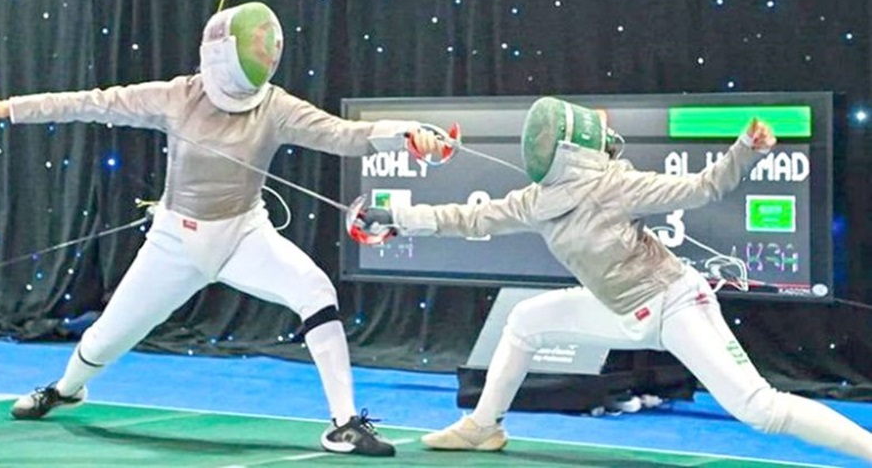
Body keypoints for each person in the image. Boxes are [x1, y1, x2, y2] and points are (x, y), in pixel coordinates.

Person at [0, 0, 444, 457]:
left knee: (315, 289)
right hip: (175, 242)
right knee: (106, 337)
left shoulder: (274, 107)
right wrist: (10, 108)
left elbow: (341, 134)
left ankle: (344, 424)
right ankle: (64, 390)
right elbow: (91, 103)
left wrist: (404, 132)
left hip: (243, 235)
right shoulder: (177, 96)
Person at [358, 97, 872, 461]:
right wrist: (396, 218)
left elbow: (700, 188)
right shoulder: (537, 201)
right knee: (524, 321)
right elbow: (469, 218)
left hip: (674, 304)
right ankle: (483, 427)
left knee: (759, 409)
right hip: (617, 308)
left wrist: (744, 149)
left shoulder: (616, 185)